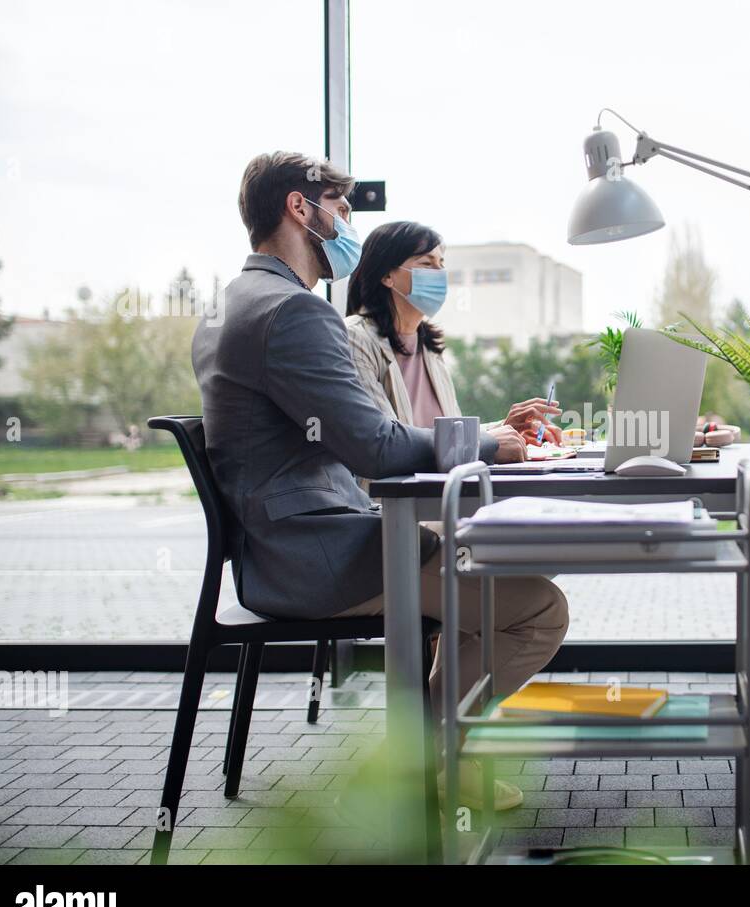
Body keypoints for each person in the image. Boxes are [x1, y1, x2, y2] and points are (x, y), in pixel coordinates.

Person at [192, 151, 568, 809]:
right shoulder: (294, 313)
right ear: (298, 207)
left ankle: (437, 754)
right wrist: (490, 445)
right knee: (539, 608)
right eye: (339, 209)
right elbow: (376, 445)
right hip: (319, 558)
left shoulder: (226, 308)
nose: (345, 226)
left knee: (478, 580)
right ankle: (438, 756)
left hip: (272, 553)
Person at [344, 220, 563, 448]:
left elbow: (447, 434)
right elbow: (387, 443)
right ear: (387, 276)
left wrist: (508, 427)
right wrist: (488, 443)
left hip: (443, 484)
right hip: (390, 485)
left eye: (441, 263)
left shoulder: (429, 348)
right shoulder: (354, 339)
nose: (440, 273)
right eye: (427, 264)